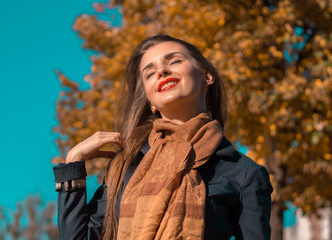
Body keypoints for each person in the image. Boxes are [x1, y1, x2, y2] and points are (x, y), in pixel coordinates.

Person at [53, 35, 273, 240]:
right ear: (150, 102)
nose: (161, 72)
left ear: (207, 76)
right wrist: (73, 162)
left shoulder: (244, 173)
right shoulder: (126, 166)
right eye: (150, 73)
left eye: (174, 61)